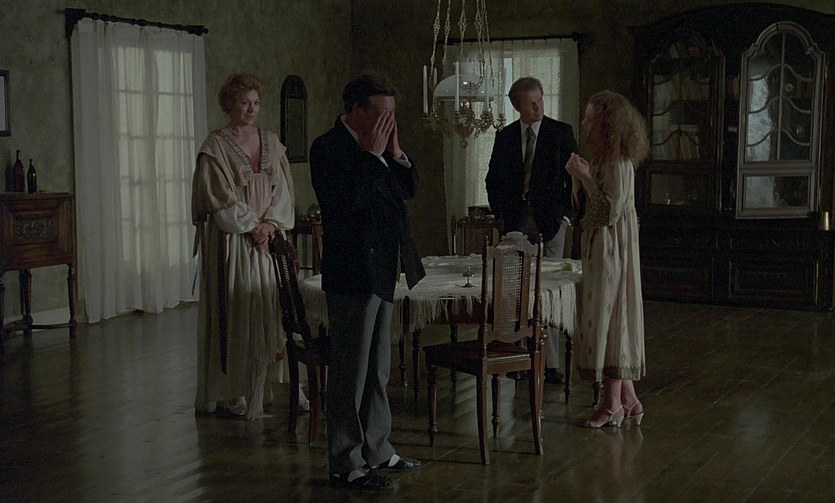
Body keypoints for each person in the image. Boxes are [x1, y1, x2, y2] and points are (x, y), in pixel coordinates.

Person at [310, 72, 426, 491]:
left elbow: (409, 188)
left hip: (383, 271)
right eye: (382, 113)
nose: (389, 121)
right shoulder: (327, 148)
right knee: (350, 372)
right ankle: (346, 462)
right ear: (356, 110)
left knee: (378, 369)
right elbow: (346, 204)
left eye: (393, 114)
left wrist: (393, 153)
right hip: (351, 274)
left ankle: (378, 449)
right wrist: (371, 156)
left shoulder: (380, 147)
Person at [191, 73, 298, 421]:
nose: (251, 109)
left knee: (271, 308)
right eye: (244, 103)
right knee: (237, 310)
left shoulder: (271, 141)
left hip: (269, 240)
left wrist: (269, 225)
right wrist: (252, 226)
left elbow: (283, 191)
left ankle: (269, 383)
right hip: (233, 243)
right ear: (228, 105)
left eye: (256, 103)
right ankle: (236, 389)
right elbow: (218, 198)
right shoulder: (215, 147)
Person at [486, 76, 578, 384]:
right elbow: (492, 179)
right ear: (517, 107)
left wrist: (565, 216)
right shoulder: (506, 137)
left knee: (547, 291)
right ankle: (520, 359)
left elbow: (574, 178)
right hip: (516, 222)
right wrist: (502, 215)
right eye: (530, 103)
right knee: (518, 291)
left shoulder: (560, 133)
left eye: (540, 99)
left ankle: (549, 364)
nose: (538, 107)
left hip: (551, 222)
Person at [565, 90, 648, 428]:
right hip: (601, 248)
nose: (584, 123)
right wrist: (579, 178)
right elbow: (586, 209)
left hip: (613, 251)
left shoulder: (617, 163)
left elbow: (608, 212)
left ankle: (612, 403)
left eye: (590, 118)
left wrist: (585, 177)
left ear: (606, 123)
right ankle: (629, 399)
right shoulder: (603, 160)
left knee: (613, 317)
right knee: (611, 316)